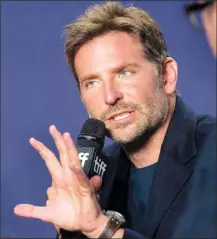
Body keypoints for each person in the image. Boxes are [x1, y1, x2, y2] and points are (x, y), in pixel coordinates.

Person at [14, 1, 216, 238]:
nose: (109, 96)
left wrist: (102, 230)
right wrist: (70, 232)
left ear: (167, 75)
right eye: (92, 83)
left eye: (124, 73)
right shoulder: (95, 177)